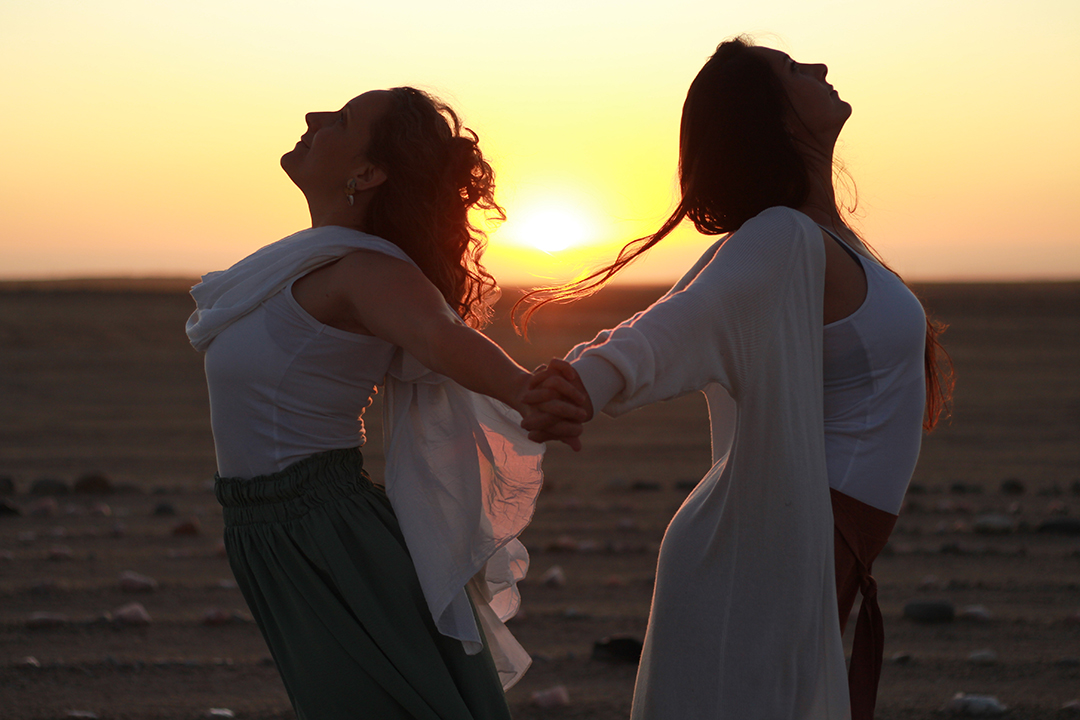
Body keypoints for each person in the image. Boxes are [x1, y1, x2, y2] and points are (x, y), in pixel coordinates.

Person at [520, 37, 952, 720]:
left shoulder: (817, 239)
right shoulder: (780, 237)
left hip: (795, 546)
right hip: (760, 556)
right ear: (773, 117)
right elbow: (676, 324)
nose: (819, 67)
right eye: (792, 68)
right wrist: (585, 382)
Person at [186, 87, 586, 720]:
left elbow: (439, 336)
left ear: (367, 173)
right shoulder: (303, 262)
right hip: (264, 531)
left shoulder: (369, 270)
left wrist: (523, 389)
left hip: (325, 531)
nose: (313, 117)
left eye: (340, 119)